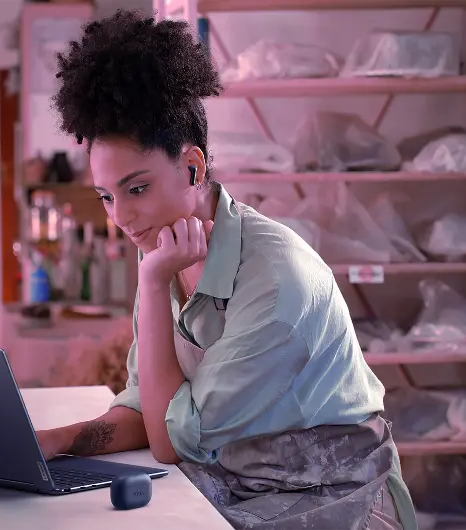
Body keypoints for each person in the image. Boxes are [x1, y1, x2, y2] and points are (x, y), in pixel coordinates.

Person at [36, 9, 417, 530]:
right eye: (106, 196)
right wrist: (54, 441)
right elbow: (150, 408)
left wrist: (149, 281)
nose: (120, 217)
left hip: (338, 499)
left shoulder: (276, 283)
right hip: (240, 480)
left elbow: (170, 440)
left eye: (137, 189)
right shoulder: (169, 249)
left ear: (193, 166)